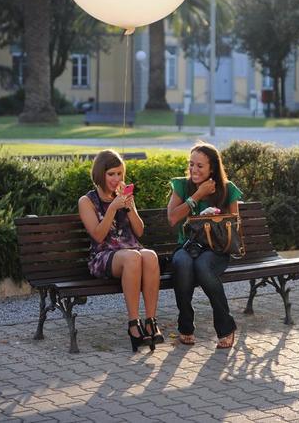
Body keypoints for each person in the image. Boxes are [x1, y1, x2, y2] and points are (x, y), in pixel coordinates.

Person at [78, 149, 163, 351]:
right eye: (111, 174)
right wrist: (113, 208)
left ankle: (151, 322)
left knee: (150, 256)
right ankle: (134, 325)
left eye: (119, 174)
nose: (116, 179)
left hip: (130, 250)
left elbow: (140, 232)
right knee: (133, 257)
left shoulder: (123, 196)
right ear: (100, 174)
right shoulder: (87, 201)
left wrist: (130, 206)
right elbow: (98, 236)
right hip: (103, 256)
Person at [167, 142, 242, 349]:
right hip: (187, 247)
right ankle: (185, 325)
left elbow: (234, 225)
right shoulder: (182, 186)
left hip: (215, 250)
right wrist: (197, 196)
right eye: (191, 164)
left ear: (212, 168)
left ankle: (225, 326)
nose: (193, 169)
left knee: (202, 266)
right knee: (182, 263)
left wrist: (214, 218)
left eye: (200, 166)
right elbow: (172, 219)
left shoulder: (227, 189)